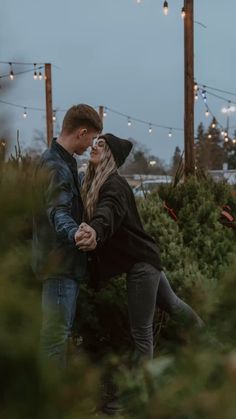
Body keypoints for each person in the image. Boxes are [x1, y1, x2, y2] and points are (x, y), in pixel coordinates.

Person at [76, 134, 204, 362]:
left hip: (141, 265)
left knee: (141, 332)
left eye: (101, 145)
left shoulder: (114, 185)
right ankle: (211, 342)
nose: (94, 147)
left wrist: (95, 230)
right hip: (145, 258)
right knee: (173, 305)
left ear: (110, 156)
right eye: (95, 143)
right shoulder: (96, 182)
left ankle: (142, 393)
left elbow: (108, 211)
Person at [32, 104, 102, 366]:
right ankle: (50, 405)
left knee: (56, 335)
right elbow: (57, 211)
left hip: (59, 264)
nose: (91, 144)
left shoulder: (58, 161)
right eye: (92, 137)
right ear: (81, 132)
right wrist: (77, 234)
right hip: (60, 265)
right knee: (55, 337)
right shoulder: (57, 167)